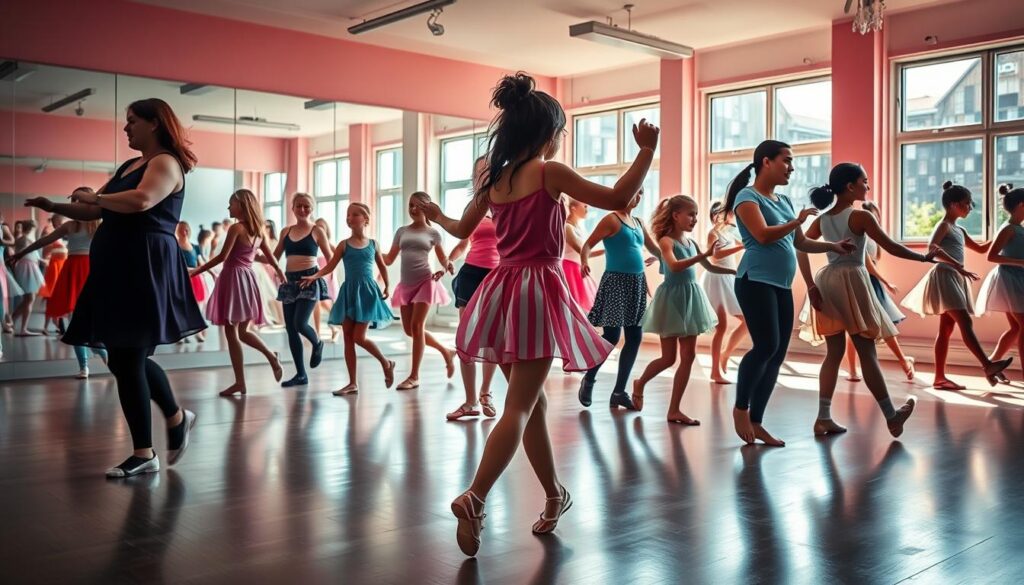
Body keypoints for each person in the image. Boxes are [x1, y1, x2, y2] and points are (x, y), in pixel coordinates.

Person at [417, 73, 659, 556]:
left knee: (534, 405)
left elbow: (459, 227)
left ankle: (554, 495)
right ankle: (474, 496)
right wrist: (647, 151)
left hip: (500, 291)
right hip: (534, 291)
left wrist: (432, 211)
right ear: (548, 132)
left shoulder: (496, 180)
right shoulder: (548, 172)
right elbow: (615, 199)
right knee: (521, 407)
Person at [26, 98, 205, 477]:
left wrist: (98, 198)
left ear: (155, 124)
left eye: (133, 121)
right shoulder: (129, 166)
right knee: (126, 357)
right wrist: (54, 204)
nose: (126, 128)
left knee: (128, 357)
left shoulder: (166, 163)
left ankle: (147, 450)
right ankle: (173, 421)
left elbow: (142, 200)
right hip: (120, 267)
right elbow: (94, 210)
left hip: (145, 266)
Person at [797, 163, 955, 437]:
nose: (867, 186)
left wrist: (811, 284)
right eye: (865, 181)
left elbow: (799, 246)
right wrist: (923, 258)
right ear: (850, 186)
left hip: (827, 281)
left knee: (833, 354)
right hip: (853, 281)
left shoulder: (821, 219)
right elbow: (891, 246)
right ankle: (891, 417)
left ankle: (823, 417)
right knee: (866, 352)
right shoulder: (859, 216)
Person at [724, 139, 856, 447]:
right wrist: (796, 220)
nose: (792, 167)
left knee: (778, 354)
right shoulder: (747, 196)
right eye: (786, 160)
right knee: (765, 346)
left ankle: (757, 422)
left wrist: (831, 246)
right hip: (754, 280)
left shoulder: (783, 200)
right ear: (766, 162)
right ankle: (741, 408)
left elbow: (800, 243)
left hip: (781, 284)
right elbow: (762, 235)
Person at [901, 181, 1013, 388]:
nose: (970, 207)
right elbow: (932, 248)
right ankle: (987, 364)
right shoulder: (943, 225)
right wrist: (957, 266)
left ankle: (939, 378)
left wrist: (1005, 229)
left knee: (946, 329)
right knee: (964, 322)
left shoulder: (959, 230)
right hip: (945, 277)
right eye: (967, 203)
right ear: (953, 204)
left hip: (954, 277)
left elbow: (981, 249)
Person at [632, 195, 734, 424]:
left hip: (691, 298)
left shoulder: (692, 242)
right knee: (668, 359)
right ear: (676, 215)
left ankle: (674, 409)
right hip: (671, 300)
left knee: (689, 356)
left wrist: (733, 273)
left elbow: (708, 266)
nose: (695, 219)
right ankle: (639, 383)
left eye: (697, 214)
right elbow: (674, 266)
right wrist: (704, 255)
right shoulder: (666, 241)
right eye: (690, 214)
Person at [192, 189, 286, 396]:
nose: (228, 207)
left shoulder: (236, 228)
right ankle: (269, 358)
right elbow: (270, 258)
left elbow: (222, 257)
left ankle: (242, 380)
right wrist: (280, 272)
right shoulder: (258, 231)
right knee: (241, 331)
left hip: (233, 277)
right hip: (248, 279)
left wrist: (196, 270)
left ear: (242, 205)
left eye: (231, 204)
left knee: (232, 331)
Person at [577, 187, 660, 409]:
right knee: (612, 337)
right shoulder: (611, 219)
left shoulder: (639, 223)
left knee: (635, 337)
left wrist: (669, 258)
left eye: (641, 193)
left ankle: (619, 392)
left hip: (637, 283)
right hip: (615, 282)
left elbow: (655, 248)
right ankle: (590, 377)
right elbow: (587, 244)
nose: (638, 196)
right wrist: (584, 261)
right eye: (635, 192)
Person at [303, 203, 395, 395]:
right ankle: (352, 382)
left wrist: (387, 284)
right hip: (349, 292)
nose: (349, 218)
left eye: (354, 215)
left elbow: (383, 266)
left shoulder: (373, 244)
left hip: (367, 293)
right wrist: (315, 275)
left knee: (359, 337)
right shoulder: (344, 245)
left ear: (365, 219)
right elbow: (331, 266)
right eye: (348, 215)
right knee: (347, 338)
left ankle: (386, 362)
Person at [6, 214, 107, 377]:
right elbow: (43, 241)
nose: (75, 204)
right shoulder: (69, 226)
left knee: (93, 319)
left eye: (78, 200)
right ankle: (84, 366)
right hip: (72, 268)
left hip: (90, 268)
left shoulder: (98, 225)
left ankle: (101, 351)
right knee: (74, 320)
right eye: (73, 200)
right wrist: (20, 253)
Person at [382, 191, 455, 390]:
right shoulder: (401, 231)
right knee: (410, 330)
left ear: (427, 208)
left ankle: (414, 376)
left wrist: (446, 266)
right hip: (406, 285)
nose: (413, 209)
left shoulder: (433, 233)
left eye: (418, 205)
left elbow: (442, 258)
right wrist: (371, 249)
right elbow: (388, 259)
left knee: (416, 325)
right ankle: (446, 351)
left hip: (425, 281)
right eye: (411, 205)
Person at [447, 157, 501, 420]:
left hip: (496, 275)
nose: (483, 175)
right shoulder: (474, 206)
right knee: (466, 338)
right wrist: (449, 257)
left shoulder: (506, 204)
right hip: (470, 274)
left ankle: (485, 393)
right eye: (478, 171)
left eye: (488, 171)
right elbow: (463, 240)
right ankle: (469, 402)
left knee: (491, 338)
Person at [842, 200, 917, 382]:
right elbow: (867, 264)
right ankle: (854, 369)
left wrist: (882, 281)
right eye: (870, 216)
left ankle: (901, 360)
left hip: (871, 281)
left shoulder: (874, 239)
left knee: (878, 324)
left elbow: (874, 262)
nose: (873, 220)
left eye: (875, 216)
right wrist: (886, 282)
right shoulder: (861, 236)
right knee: (857, 327)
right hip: (863, 280)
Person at [270, 192, 333, 387]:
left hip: (309, 281)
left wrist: (315, 276)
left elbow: (331, 261)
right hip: (290, 282)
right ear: (293, 208)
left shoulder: (316, 231)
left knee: (299, 323)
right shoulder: (286, 231)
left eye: (307, 206)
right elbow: (274, 256)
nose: (303, 209)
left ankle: (317, 343)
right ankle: (301, 374)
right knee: (290, 329)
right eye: (299, 206)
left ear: (312, 209)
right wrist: (250, 255)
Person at [975, 184, 1024, 381]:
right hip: (1010, 280)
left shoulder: (1018, 228)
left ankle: (992, 363)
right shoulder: (1008, 229)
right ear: (1021, 205)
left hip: (1017, 279)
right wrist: (1019, 262)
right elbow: (992, 256)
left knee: (1016, 328)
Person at [701, 201, 747, 384]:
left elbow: (745, 243)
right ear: (716, 215)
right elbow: (715, 256)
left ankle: (725, 354)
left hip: (729, 278)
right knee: (721, 326)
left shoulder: (729, 232)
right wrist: (740, 247)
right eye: (727, 213)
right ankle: (714, 372)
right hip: (716, 279)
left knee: (747, 320)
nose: (731, 215)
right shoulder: (713, 233)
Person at [562, 198, 599, 313]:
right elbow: (582, 251)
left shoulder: (579, 227)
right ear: (573, 208)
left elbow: (586, 251)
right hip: (569, 270)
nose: (588, 209)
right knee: (572, 308)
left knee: (580, 310)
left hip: (577, 269)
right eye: (585, 206)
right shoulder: (567, 227)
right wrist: (608, 250)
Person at [10, 219, 45, 335]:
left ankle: (13, 320)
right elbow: (24, 253)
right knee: (29, 298)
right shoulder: (24, 239)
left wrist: (41, 260)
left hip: (29, 267)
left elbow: (30, 254)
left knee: (28, 298)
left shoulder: (25, 239)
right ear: (31, 228)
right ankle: (22, 327)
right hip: (27, 267)